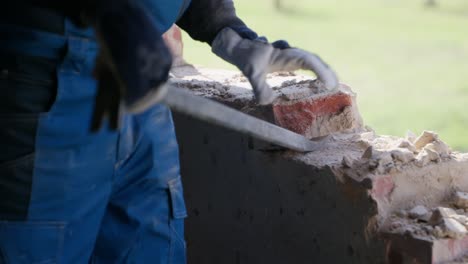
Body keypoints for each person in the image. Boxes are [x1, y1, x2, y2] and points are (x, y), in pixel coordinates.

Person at [0, 0, 337, 263]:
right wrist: (118, 16)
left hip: (142, 88)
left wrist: (226, 30)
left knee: (152, 248)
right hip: (47, 81)